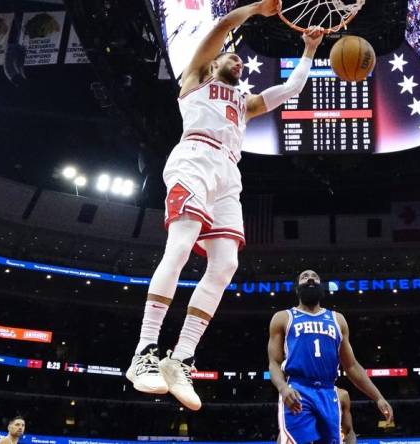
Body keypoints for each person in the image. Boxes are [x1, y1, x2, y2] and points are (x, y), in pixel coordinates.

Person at [126, 0, 325, 411]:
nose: (237, 59)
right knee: (180, 247)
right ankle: (144, 350)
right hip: (194, 158)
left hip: (228, 173)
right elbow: (221, 27)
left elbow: (290, 91)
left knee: (226, 265)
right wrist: (254, 9)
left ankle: (180, 358)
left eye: (240, 59)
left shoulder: (244, 104)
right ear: (214, 62)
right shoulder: (196, 77)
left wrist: (308, 49)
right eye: (232, 55)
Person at [268, 270, 393, 443]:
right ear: (297, 288)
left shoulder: (337, 319)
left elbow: (351, 366)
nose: (310, 278)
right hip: (298, 388)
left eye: (315, 277)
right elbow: (274, 362)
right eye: (305, 277)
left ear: (321, 287)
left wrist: (378, 397)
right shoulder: (283, 317)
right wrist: (283, 387)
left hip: (328, 391)